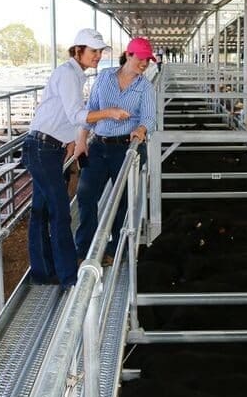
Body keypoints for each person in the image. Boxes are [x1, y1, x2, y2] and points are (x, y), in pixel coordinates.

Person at [26, 29, 130, 287]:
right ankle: (68, 275)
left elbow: (64, 114)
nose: (98, 56)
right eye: (93, 51)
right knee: (60, 211)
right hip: (42, 148)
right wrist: (108, 112)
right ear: (77, 51)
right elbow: (75, 114)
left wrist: (74, 140)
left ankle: (43, 271)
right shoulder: (68, 74)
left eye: (100, 51)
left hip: (47, 146)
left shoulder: (73, 74)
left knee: (43, 210)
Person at [74, 37, 156, 264]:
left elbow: (150, 118)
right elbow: (91, 110)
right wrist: (82, 140)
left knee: (123, 200)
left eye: (147, 60)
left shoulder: (145, 87)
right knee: (86, 196)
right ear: (128, 55)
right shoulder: (104, 77)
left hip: (125, 149)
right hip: (99, 146)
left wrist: (140, 128)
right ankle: (84, 250)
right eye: (141, 58)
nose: (144, 64)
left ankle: (114, 249)